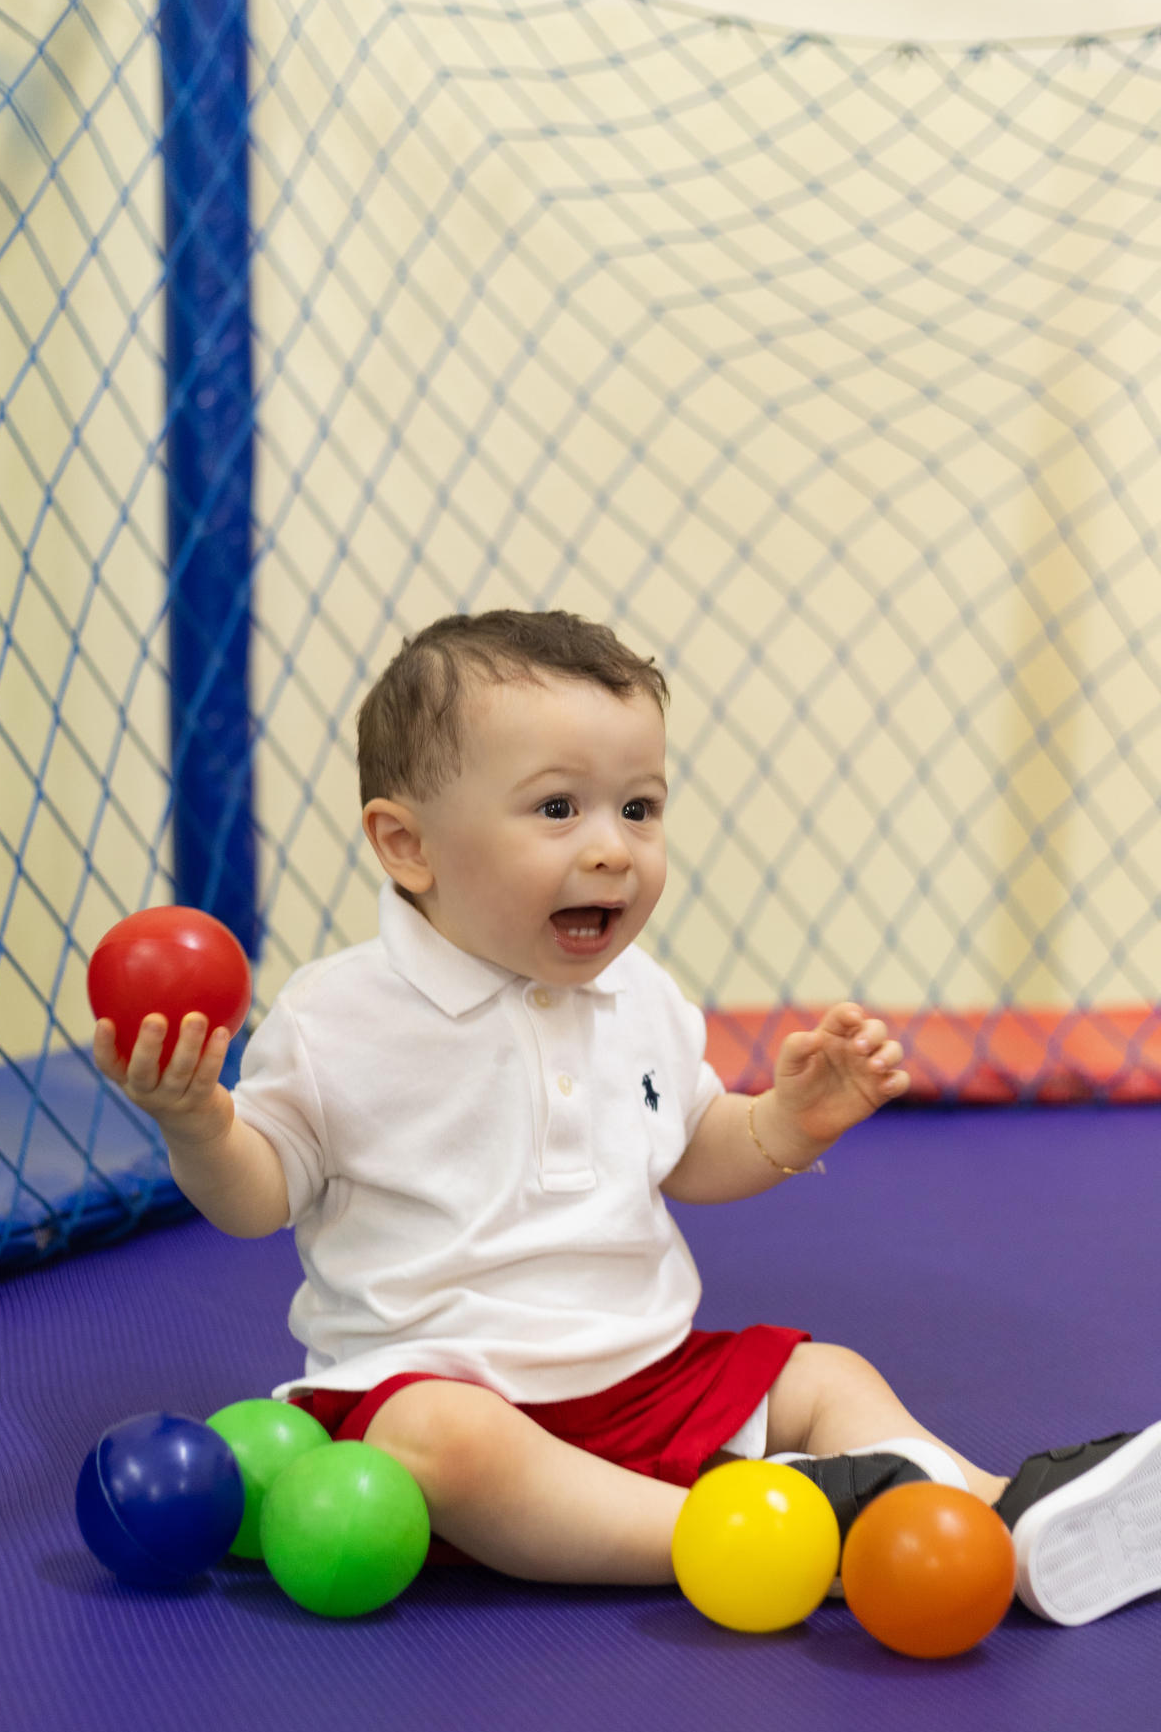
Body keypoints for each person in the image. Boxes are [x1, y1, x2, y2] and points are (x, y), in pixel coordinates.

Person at [93, 609, 1161, 1629]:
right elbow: (257, 1198)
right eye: (559, 809)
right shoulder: (338, 1016)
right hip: (445, 1393)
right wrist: (200, 1122)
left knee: (827, 1376)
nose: (613, 849)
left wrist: (788, 1122)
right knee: (447, 1443)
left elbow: (692, 1151)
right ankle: (763, 1536)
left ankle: (1003, 1512)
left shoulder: (639, 993)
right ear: (407, 845)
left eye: (639, 809)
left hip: (649, 1381)